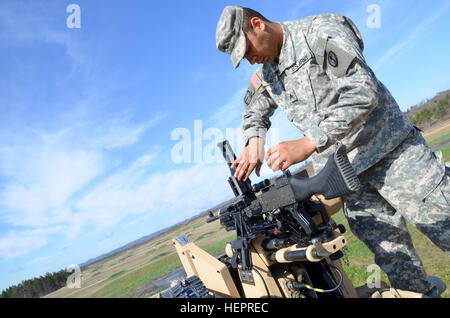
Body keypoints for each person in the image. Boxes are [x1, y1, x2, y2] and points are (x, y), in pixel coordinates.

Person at [215, 5, 450, 297]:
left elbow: (362, 90)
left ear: (257, 24)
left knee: (445, 223)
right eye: (243, 57)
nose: (250, 59)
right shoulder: (267, 74)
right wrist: (254, 140)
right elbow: (252, 112)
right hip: (348, 177)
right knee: (396, 261)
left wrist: (309, 142)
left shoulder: (319, 33)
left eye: (247, 48)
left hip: (393, 156)